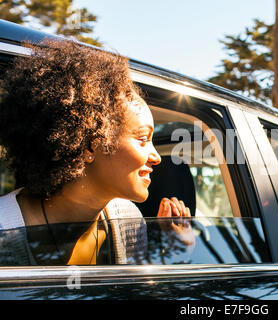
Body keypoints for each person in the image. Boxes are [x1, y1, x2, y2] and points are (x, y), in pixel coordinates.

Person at [0, 39, 191, 266]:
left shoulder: (128, 222)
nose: (156, 157)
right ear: (91, 145)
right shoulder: (5, 229)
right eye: (142, 139)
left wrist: (178, 249)